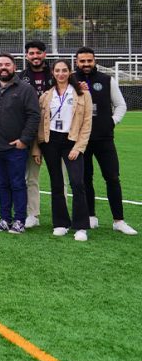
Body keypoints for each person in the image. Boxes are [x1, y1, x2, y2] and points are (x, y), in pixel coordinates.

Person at [73, 47, 136, 235]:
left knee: (112, 177)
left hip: (104, 139)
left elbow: (121, 105)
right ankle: (91, 216)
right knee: (85, 179)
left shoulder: (107, 80)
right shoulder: (70, 80)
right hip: (81, 140)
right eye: (82, 61)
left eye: (89, 60)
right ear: (76, 62)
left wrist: (112, 121)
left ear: (95, 61)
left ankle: (119, 220)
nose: (86, 64)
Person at [0, 53, 40, 234]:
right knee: (2, 184)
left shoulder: (26, 89)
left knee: (17, 184)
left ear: (14, 67)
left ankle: (19, 220)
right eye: (0, 65)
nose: (3, 67)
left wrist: (24, 140)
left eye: (7, 64)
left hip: (15, 148)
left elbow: (34, 116)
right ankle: (5, 219)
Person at [32, 60, 93, 240]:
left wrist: (78, 147)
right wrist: (36, 149)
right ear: (53, 72)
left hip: (71, 141)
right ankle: (61, 223)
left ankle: (81, 226)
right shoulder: (46, 96)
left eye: (64, 70)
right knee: (56, 183)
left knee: (77, 183)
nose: (61, 74)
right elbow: (39, 125)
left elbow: (87, 123)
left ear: (70, 72)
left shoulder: (82, 94)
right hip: (50, 141)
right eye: (57, 70)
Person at [19, 40, 54, 229]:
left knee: (59, 178)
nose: (35, 56)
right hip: (30, 133)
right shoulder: (20, 78)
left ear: (44, 54)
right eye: (31, 53)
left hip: (55, 134)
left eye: (38, 53)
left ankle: (61, 215)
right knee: (30, 177)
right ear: (26, 56)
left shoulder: (56, 74)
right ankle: (33, 214)